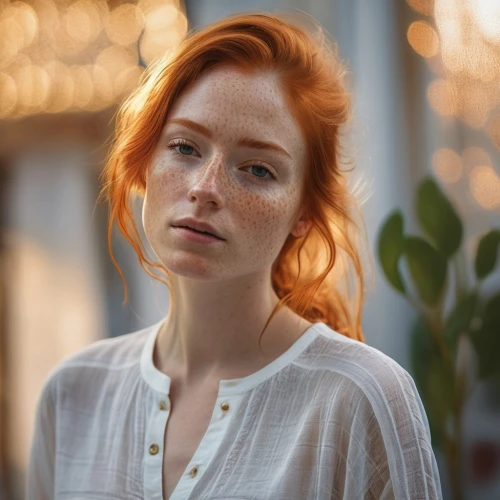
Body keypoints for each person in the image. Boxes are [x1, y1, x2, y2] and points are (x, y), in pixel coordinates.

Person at [26, 10, 443, 500]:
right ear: (143, 161)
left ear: (304, 212)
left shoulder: (360, 397)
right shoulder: (73, 394)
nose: (205, 189)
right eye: (184, 147)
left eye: (258, 170)